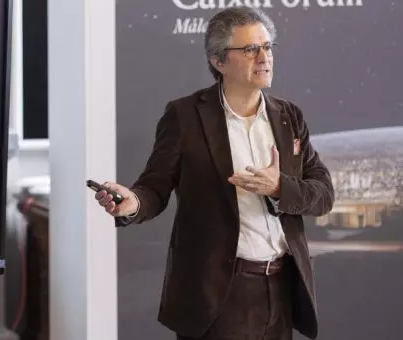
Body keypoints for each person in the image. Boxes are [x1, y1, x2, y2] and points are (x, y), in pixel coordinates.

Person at [95, 7, 334, 340]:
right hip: (219, 293)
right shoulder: (185, 116)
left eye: (267, 47)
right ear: (218, 61)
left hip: (281, 288)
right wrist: (131, 204)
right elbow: (154, 188)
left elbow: (323, 193)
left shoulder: (288, 116)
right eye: (251, 49)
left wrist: (280, 186)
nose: (264, 57)